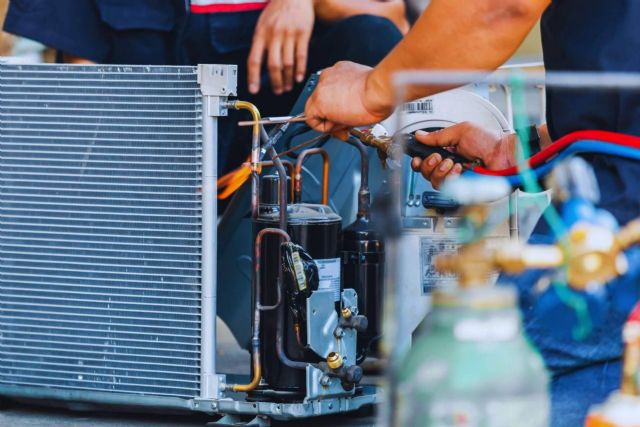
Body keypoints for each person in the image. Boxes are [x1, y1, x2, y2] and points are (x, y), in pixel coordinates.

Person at [304, 0, 640, 425]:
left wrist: (369, 91)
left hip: (621, 207)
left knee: (476, 377)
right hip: (616, 182)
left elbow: (501, 5)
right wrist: (520, 147)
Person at [3, 0, 406, 174]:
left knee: (371, 39)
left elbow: (392, 19)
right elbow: (80, 91)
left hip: (288, 172)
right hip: (146, 182)